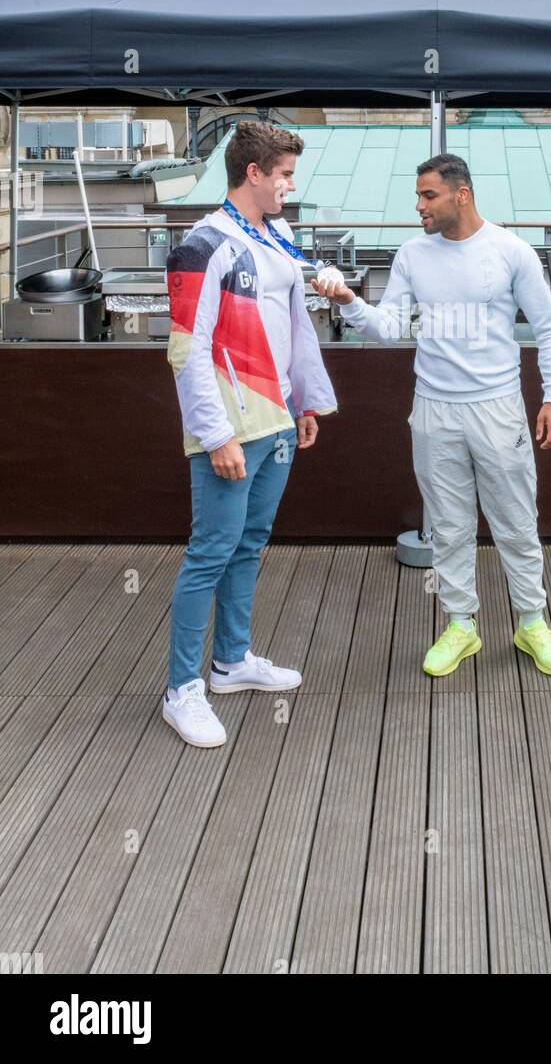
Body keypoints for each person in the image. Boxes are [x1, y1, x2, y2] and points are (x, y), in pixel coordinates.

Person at [315, 153, 551, 678]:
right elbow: (389, 327)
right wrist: (347, 301)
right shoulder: (412, 254)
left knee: (516, 524)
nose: (419, 206)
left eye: (428, 196)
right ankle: (461, 625)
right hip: (433, 409)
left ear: (462, 195)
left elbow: (550, 328)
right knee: (449, 529)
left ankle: (531, 623)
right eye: (418, 196)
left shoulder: (511, 251)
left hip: (497, 407)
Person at [163, 120, 337, 747]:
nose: (291, 184)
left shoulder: (279, 235)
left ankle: (231, 663)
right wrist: (215, 436)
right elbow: (187, 350)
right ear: (254, 174)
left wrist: (307, 401)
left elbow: (293, 322)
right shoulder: (200, 245)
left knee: (250, 542)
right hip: (233, 427)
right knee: (210, 551)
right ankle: (181, 690)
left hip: (279, 417)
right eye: (284, 174)